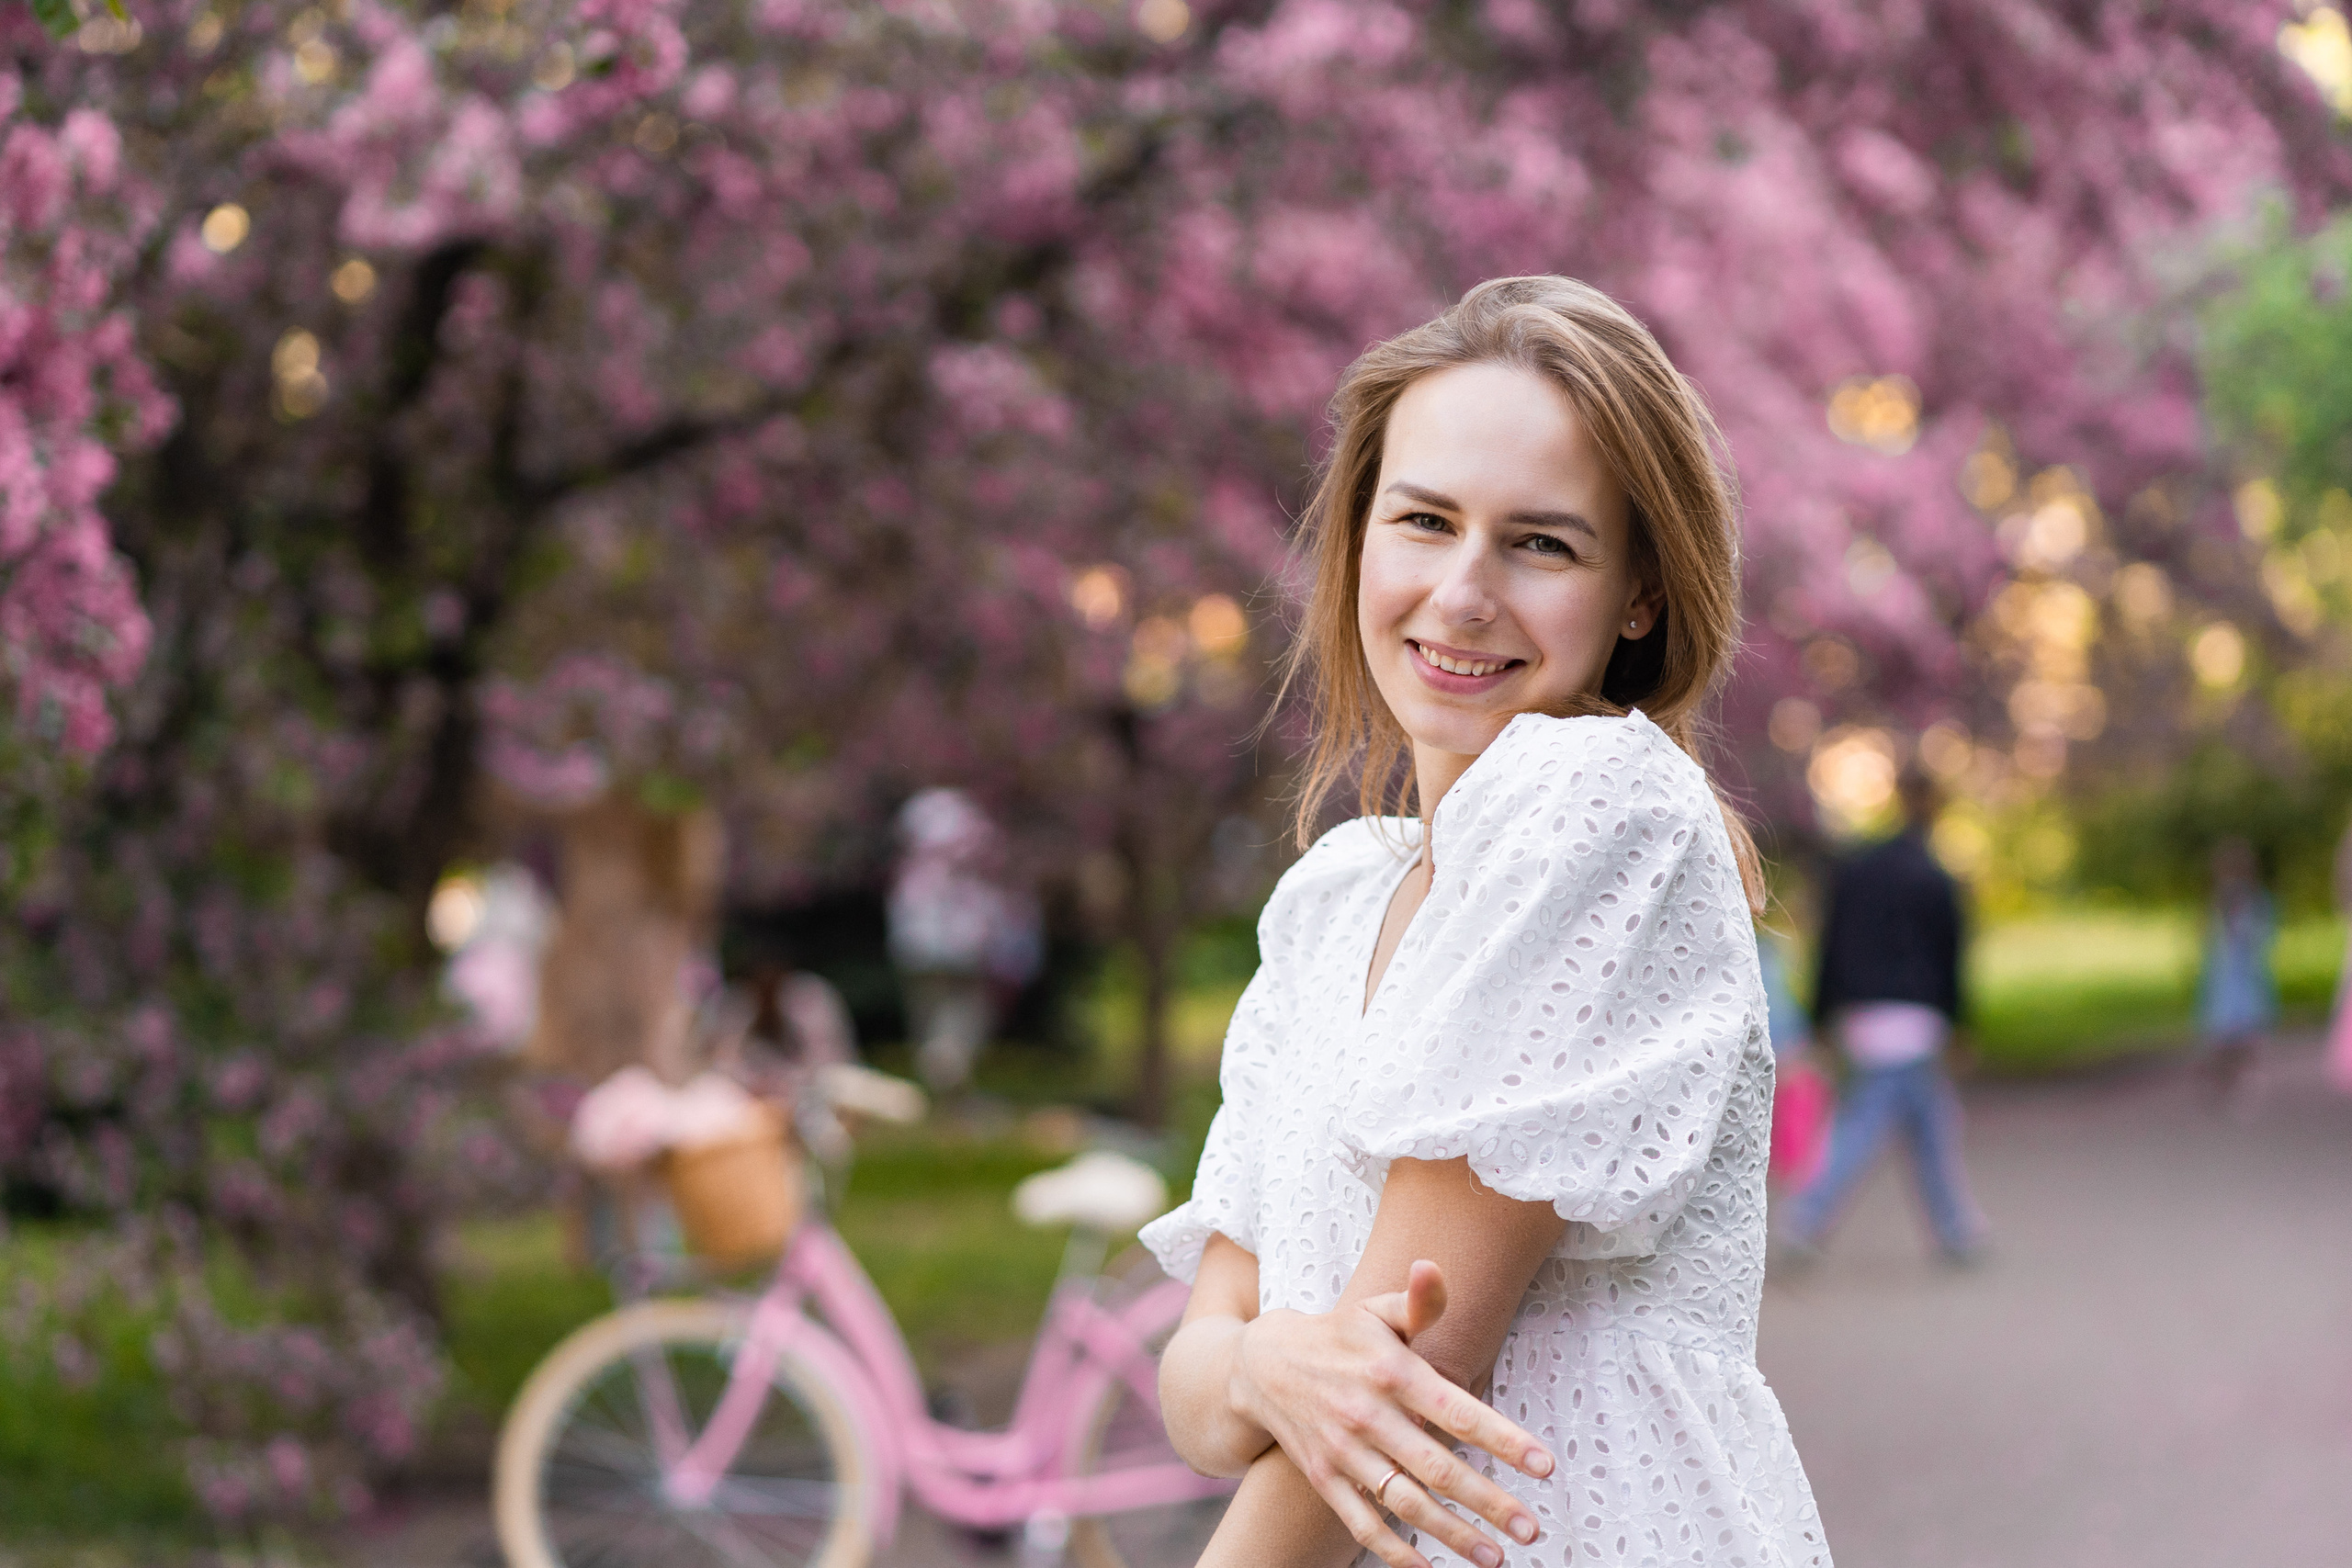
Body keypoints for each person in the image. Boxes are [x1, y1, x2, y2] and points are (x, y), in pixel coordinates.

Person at [1142, 277, 1829, 1568]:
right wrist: (1264, 1361)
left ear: (1638, 594)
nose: (1462, 592)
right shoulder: (1335, 897)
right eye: (1423, 520)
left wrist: (1271, 1364)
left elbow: (1410, 1366)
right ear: (1360, 539)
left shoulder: (1601, 803)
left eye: (1542, 544)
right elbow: (1197, 1377)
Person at [1777, 769, 1986, 1268]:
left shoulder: (1857, 871)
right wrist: (1961, 1025)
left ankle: (1957, 1229)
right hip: (1915, 1020)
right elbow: (1953, 960)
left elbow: (1830, 947)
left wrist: (1821, 1015)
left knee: (1928, 1121)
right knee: (1867, 1125)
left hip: (1865, 1016)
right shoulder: (1938, 879)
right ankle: (1805, 1219)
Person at [2196, 835, 2276, 1105]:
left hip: (2246, 978)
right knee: (2221, 1036)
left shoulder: (2256, 902)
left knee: (2248, 1034)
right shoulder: (2218, 902)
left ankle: (2246, 1081)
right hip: (2223, 979)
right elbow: (2208, 939)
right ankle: (2222, 1083)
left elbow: (2261, 937)